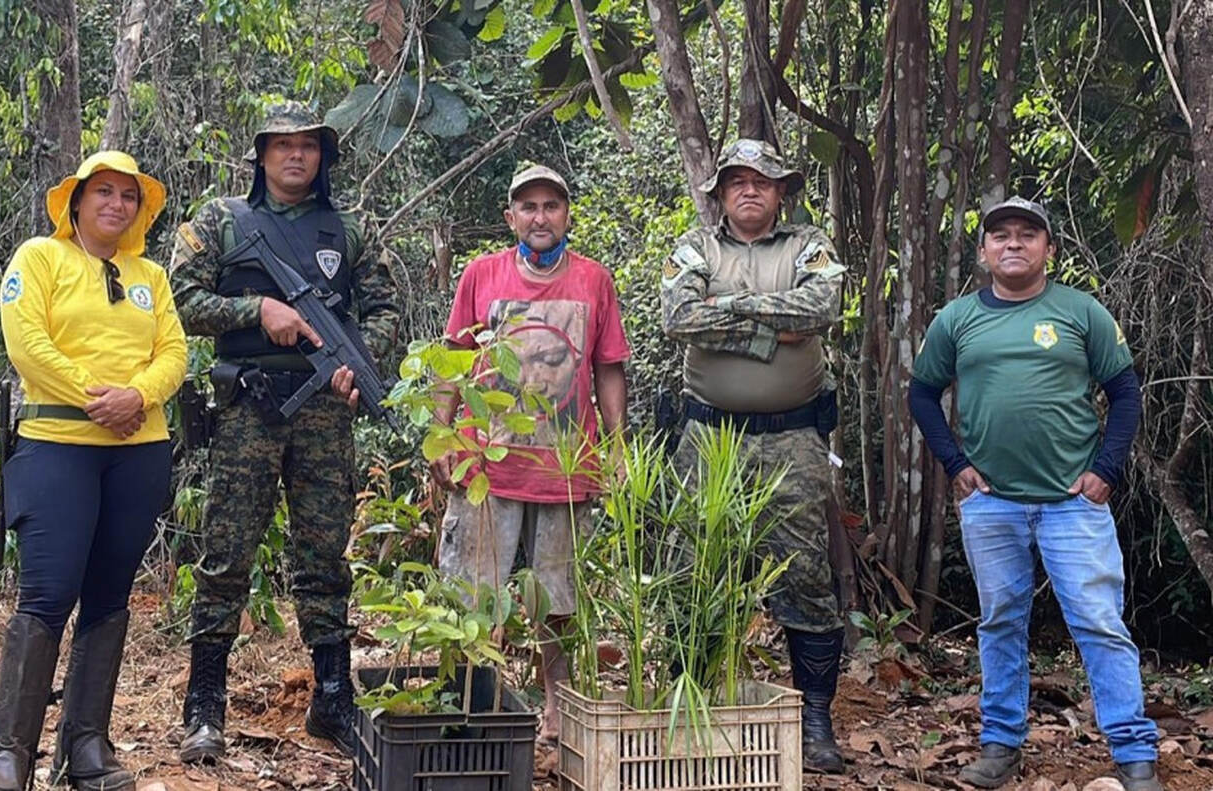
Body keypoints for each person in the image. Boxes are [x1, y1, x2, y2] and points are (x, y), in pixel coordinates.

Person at [168, 102, 399, 761]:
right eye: (282, 145)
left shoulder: (350, 228)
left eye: (308, 145)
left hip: (325, 411)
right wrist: (258, 309)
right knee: (226, 553)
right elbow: (181, 300)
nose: (296, 155)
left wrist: (359, 363)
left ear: (323, 157)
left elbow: (384, 308)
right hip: (247, 406)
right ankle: (205, 704)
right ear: (261, 155)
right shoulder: (221, 221)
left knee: (324, 556)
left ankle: (333, 696)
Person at [909, 196, 1159, 791]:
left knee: (1098, 623)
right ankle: (1000, 745)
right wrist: (955, 463)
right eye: (1001, 235)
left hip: (1074, 503)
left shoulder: (1081, 310)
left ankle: (1134, 752)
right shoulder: (957, 319)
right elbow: (922, 393)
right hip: (991, 503)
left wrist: (1106, 469)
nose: (1014, 243)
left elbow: (1125, 392)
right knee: (1000, 622)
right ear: (984, 251)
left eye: (1027, 233)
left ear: (1049, 248)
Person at [0, 150, 186, 791]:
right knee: (47, 594)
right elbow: (28, 344)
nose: (116, 204)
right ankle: (8, 754)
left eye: (128, 196)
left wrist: (139, 396)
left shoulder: (151, 275)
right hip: (57, 445)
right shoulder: (40, 258)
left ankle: (86, 747)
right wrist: (98, 399)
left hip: (139, 450)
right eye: (103, 192)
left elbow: (174, 352)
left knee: (109, 596)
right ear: (76, 202)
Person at [660, 138, 848, 774]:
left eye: (762, 181)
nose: (749, 189)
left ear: (780, 192)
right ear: (719, 192)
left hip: (793, 439)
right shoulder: (696, 247)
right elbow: (679, 317)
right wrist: (773, 330)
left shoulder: (807, 245)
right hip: (709, 439)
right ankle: (693, 710)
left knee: (805, 575)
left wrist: (729, 306)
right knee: (696, 571)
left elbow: (821, 307)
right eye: (737, 180)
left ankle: (815, 720)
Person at [432, 164, 629, 741]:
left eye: (551, 206)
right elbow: (453, 358)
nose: (540, 217)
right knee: (472, 591)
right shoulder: (482, 275)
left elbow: (608, 367)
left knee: (558, 600)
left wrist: (617, 447)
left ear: (567, 215)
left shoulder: (594, 280)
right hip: (485, 467)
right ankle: (471, 708)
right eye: (529, 207)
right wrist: (441, 435)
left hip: (565, 469)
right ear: (510, 217)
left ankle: (557, 711)